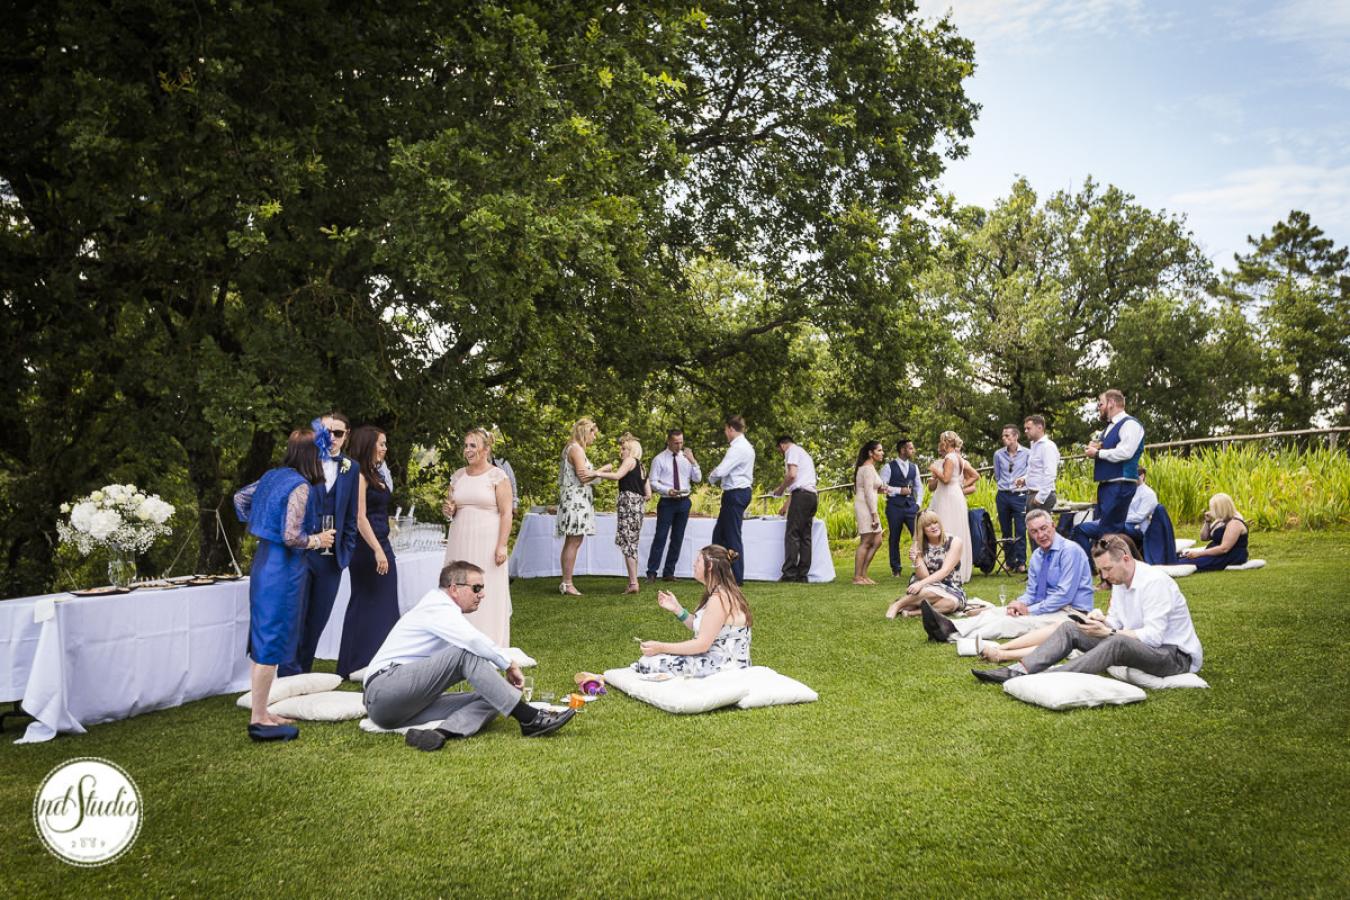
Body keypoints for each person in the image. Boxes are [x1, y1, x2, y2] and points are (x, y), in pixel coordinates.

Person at [363, 560, 576, 750]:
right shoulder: (436, 605)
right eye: (476, 588)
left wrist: (502, 680)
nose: (481, 594)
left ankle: (440, 733)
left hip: (399, 711)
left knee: (497, 694)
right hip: (384, 690)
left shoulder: (444, 610)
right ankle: (529, 718)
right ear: (454, 588)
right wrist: (509, 665)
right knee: (464, 653)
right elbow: (473, 642)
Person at [972, 534, 1202, 684]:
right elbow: (1116, 624)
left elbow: (1153, 637)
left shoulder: (1154, 582)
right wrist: (1100, 622)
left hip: (1173, 656)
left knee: (1116, 642)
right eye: (1101, 571)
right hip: (1137, 646)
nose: (1104, 577)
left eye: (1107, 569)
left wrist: (1109, 633)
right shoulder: (1121, 581)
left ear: (1126, 559)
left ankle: (1052, 678)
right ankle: (1019, 670)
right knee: (1070, 628)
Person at [233, 428, 336, 742]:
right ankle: (259, 721)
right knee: (271, 641)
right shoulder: (301, 486)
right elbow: (292, 536)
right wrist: (319, 539)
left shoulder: (272, 476)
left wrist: (261, 524)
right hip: (283, 568)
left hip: (265, 561)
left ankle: (261, 713)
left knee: (267, 639)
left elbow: (240, 498)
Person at [919, 509, 1095, 643]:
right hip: (1046, 607)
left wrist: (1029, 610)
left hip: (1071, 613)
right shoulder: (1037, 557)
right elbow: (1032, 592)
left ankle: (951, 635)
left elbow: (1064, 596)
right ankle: (949, 626)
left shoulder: (1070, 551)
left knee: (1011, 624)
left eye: (1044, 528)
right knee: (997, 612)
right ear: (1029, 533)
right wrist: (1019, 604)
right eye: (1034, 532)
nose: (1040, 535)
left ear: (1053, 526)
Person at [280, 413, 360, 677]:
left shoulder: (352, 467)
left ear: (346, 435)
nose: (333, 438)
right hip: (301, 554)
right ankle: (287, 677)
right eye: (328, 432)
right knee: (295, 619)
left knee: (317, 620)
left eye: (339, 433)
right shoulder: (303, 462)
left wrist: (344, 554)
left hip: (331, 559)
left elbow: (351, 516)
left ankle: (302, 674)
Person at [337, 425, 402, 679]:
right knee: (365, 601)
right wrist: (377, 550)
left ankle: (379, 658)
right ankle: (355, 662)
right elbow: (359, 516)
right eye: (382, 443)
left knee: (384, 603)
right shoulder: (358, 475)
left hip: (382, 541)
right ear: (369, 445)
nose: (386, 448)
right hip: (367, 546)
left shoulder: (377, 473)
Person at [441, 428, 514, 647]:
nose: (467, 450)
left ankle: (489, 640)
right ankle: (458, 640)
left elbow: (506, 512)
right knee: (458, 585)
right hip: (460, 539)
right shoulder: (458, 476)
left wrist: (502, 545)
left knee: (486, 587)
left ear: (486, 449)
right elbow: (450, 507)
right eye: (466, 445)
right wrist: (448, 511)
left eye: (473, 445)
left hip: (487, 541)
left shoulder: (497, 476)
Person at [634, 545, 751, 677]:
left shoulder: (719, 599)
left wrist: (661, 647)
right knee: (651, 660)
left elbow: (702, 644)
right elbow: (704, 627)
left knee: (649, 663)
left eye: (698, 561)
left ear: (710, 566)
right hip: (717, 660)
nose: (694, 565)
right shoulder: (718, 592)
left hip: (723, 666)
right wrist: (677, 609)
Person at [1074, 388, 1145, 559]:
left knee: (1109, 532)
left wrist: (1098, 453)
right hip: (1107, 484)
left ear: (1112, 403)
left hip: (1121, 483)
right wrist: (1097, 447)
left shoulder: (1130, 424)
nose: (1099, 407)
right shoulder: (1108, 428)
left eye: (1100, 404)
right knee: (1109, 531)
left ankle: (1109, 576)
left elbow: (1126, 452)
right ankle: (1123, 567)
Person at [557, 417, 611, 596]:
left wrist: (597, 472)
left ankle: (566, 582)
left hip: (576, 499)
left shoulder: (572, 448)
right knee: (574, 540)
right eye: (593, 433)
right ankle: (567, 583)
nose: (595, 437)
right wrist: (603, 470)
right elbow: (583, 477)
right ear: (585, 432)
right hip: (575, 501)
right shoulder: (576, 450)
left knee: (573, 540)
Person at [590, 433, 650, 594]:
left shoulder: (630, 461)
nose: (621, 451)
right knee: (632, 543)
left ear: (631, 450)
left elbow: (617, 476)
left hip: (628, 503)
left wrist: (597, 473)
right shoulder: (642, 466)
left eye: (624, 448)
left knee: (628, 542)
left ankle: (633, 583)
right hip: (638, 506)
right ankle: (633, 581)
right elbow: (648, 494)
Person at [885, 511, 967, 619]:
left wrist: (920, 584)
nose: (933, 527)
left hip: (950, 586)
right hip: (927, 585)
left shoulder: (954, 542)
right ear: (922, 529)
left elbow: (945, 571)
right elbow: (924, 576)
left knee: (951, 603)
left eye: (935, 522)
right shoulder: (918, 545)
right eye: (928, 525)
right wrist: (917, 558)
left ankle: (913, 612)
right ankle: (897, 605)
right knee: (930, 591)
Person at [646, 428, 701, 583]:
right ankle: (651, 572)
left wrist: (694, 461)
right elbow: (653, 481)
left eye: (681, 442)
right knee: (660, 537)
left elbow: (697, 479)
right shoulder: (659, 459)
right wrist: (667, 490)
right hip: (667, 502)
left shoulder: (686, 458)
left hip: (684, 501)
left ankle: (669, 572)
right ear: (669, 441)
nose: (679, 445)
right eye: (676, 443)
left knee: (677, 538)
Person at [708, 415, 755, 585]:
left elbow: (721, 470)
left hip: (735, 493)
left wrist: (711, 477)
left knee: (732, 536)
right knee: (719, 535)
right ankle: (718, 573)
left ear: (730, 428)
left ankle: (736, 577)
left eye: (725, 430)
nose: (725, 434)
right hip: (738, 493)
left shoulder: (738, 448)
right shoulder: (746, 446)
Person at [926, 431, 978, 583]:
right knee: (957, 529)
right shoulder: (959, 458)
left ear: (946, 442)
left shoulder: (949, 458)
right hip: (955, 495)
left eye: (941, 441)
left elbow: (947, 479)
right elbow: (971, 476)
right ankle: (956, 569)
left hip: (948, 496)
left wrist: (935, 470)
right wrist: (960, 485)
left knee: (947, 527)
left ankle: (947, 569)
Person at [772, 435, 818, 583]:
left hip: (801, 497)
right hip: (811, 497)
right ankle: (802, 575)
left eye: (779, 450)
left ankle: (789, 574)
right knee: (805, 536)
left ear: (782, 445)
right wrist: (786, 506)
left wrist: (780, 489)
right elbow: (800, 485)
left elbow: (792, 476)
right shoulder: (803, 453)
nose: (781, 454)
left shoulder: (791, 451)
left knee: (792, 534)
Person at [992, 424, 1030, 573]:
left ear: (1015, 437)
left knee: (1021, 529)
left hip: (1020, 495)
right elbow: (997, 475)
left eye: (1007, 435)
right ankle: (1009, 562)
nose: (1004, 438)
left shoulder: (1027, 453)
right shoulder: (998, 454)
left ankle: (1021, 563)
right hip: (1003, 495)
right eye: (1003, 436)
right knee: (1005, 530)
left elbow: (1030, 473)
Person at [883, 438, 923, 577]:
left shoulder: (914, 467)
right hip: (894, 507)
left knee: (918, 536)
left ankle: (921, 565)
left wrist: (918, 504)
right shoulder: (888, 467)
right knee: (894, 537)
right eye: (911, 448)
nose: (913, 450)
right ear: (902, 450)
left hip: (911, 507)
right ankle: (896, 569)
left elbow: (919, 487)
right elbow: (882, 487)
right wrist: (899, 491)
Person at [1180, 493, 1249, 571]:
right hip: (1215, 553)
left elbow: (1224, 549)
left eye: (1212, 508)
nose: (1211, 510)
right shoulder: (1220, 520)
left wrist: (1198, 554)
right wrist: (1207, 521)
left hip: (1228, 556)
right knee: (1179, 559)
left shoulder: (1234, 523)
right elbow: (1204, 538)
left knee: (1182, 563)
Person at [851, 440, 886, 585]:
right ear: (870, 453)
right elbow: (867, 493)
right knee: (866, 541)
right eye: (879, 450)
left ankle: (863, 574)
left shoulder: (870, 468)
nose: (882, 453)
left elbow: (872, 489)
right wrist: (874, 514)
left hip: (868, 504)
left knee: (877, 541)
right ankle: (857, 577)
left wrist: (881, 489)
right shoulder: (867, 469)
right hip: (865, 506)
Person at [1019, 415, 1059, 514]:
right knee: (1031, 528)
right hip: (1031, 493)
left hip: (1041, 496)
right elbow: (1035, 469)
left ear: (1039, 428)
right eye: (1025, 429)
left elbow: (1050, 474)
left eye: (1028, 428)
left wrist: (1040, 498)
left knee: (1040, 528)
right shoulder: (1034, 445)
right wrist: (1025, 479)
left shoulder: (1048, 446)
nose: (1025, 431)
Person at [1118, 466, 1159, 551]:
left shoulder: (1148, 494)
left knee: (1115, 526)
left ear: (1142, 476)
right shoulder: (1128, 491)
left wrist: (1119, 519)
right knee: (1105, 525)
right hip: (1126, 523)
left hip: (1139, 528)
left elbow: (1139, 517)